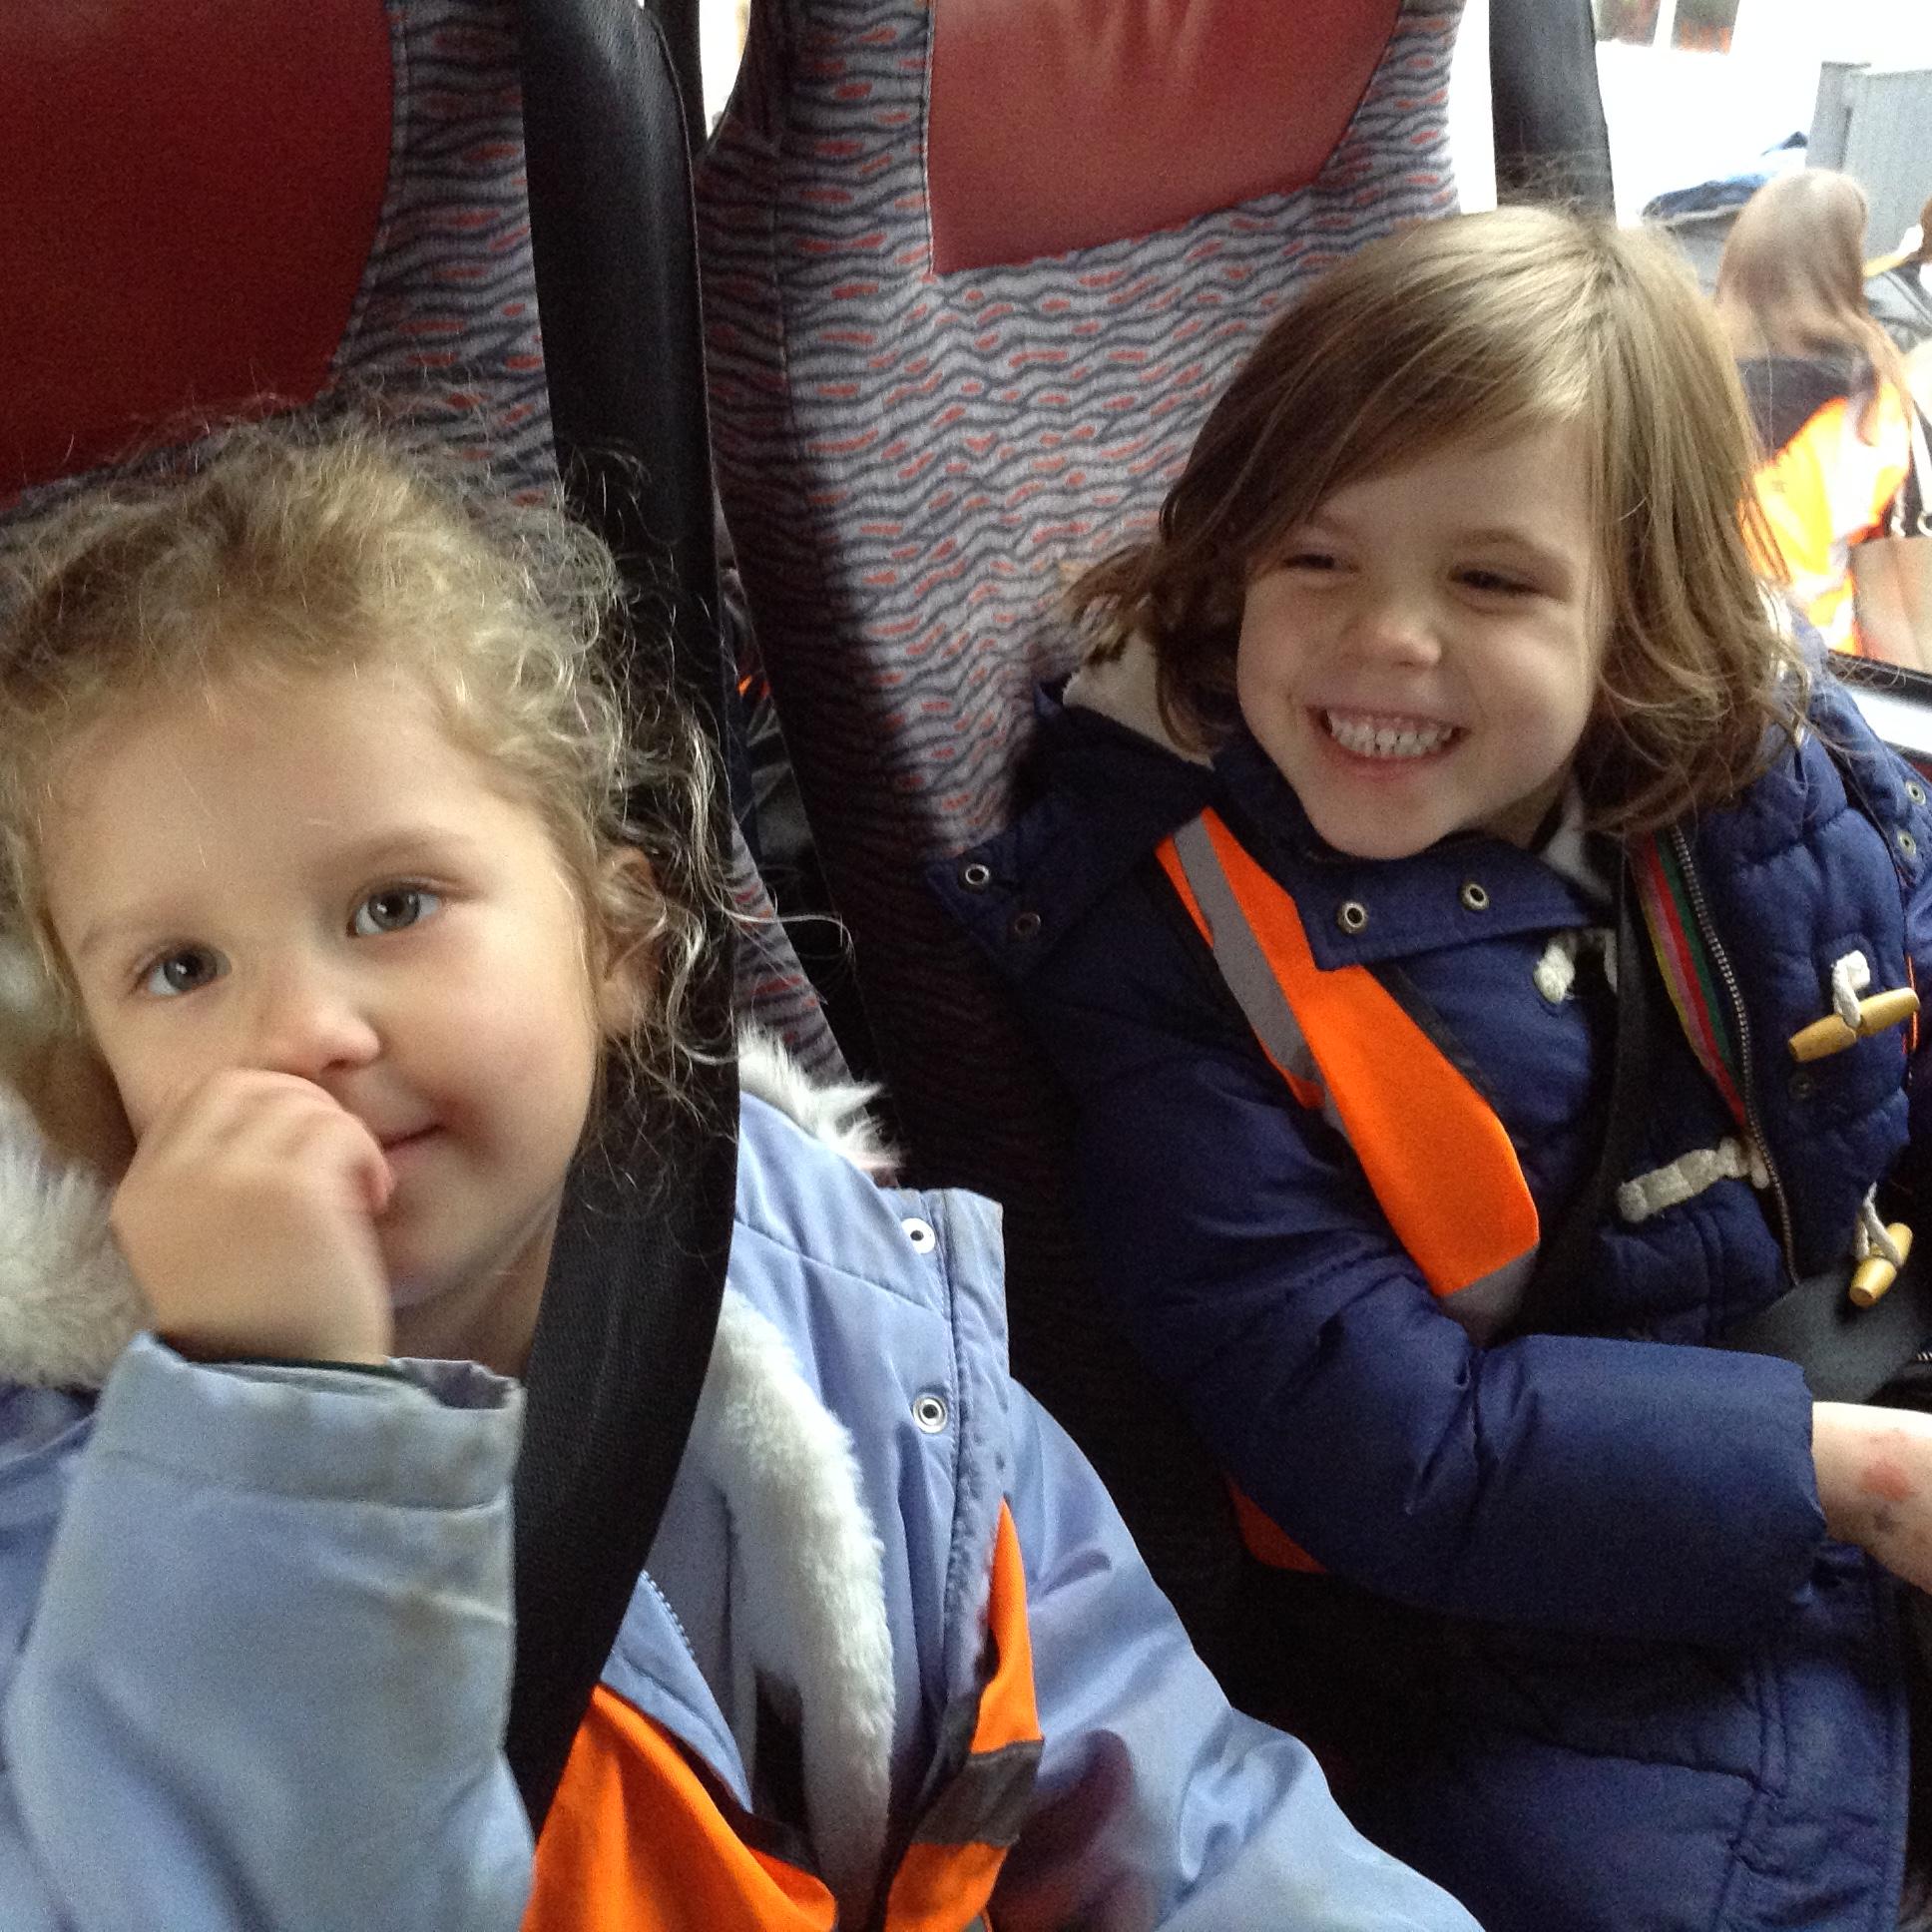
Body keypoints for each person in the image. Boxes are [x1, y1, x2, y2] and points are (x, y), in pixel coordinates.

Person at [0, 425, 1482, 1931]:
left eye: (393, 905)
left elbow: (1165, 1804)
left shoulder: (846, 1296)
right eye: (179, 969)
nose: (302, 1032)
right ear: (87, 1066)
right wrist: (273, 1436)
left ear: (618, 944)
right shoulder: (71, 1523)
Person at [936, 205, 1932, 1932]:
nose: (1385, 637)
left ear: (1635, 616)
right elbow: (1384, 1444)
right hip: (1519, 1624)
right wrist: (1842, 1479)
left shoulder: (1763, 763)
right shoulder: (1170, 951)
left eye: (1490, 582)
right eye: (1315, 562)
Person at [1714, 168, 1921, 657]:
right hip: (1826, 664)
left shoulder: (1680, 375)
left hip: (1705, 656)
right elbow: (1888, 583)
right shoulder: (1876, 401)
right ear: (1844, 264)